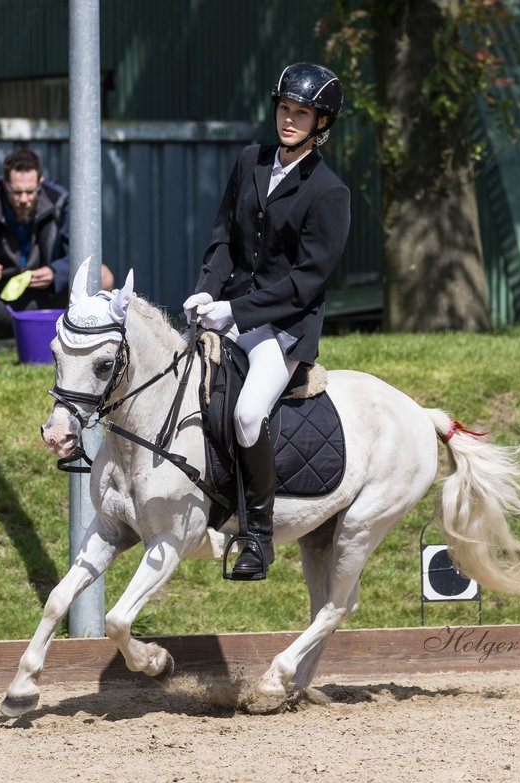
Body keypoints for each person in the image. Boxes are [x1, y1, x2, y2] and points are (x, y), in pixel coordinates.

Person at [182, 62, 351, 581]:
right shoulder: (250, 161)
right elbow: (224, 239)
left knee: (250, 414)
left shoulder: (329, 192)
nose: (289, 120)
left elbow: (306, 282)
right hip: (230, 306)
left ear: (321, 124)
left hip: (284, 328)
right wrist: (206, 289)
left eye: (301, 113)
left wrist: (237, 310)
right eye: (285, 108)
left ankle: (257, 535)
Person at [0, 147, 113, 341]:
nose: (23, 199)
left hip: (47, 299)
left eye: (30, 192)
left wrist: (57, 272)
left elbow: (87, 255)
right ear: (5, 184)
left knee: (102, 274)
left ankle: (84, 341)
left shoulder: (61, 202)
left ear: (40, 183)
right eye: (16, 192)